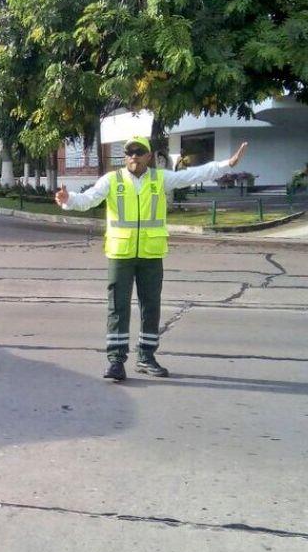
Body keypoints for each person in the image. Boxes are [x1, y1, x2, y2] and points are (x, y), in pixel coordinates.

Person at [55, 136, 249, 382]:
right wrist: (68, 199)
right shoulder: (112, 180)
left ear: (149, 156)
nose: (133, 156)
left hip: (151, 253)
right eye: (129, 152)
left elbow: (193, 175)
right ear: (125, 156)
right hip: (121, 254)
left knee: (151, 308)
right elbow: (87, 200)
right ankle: (116, 361)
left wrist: (226, 165)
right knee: (118, 307)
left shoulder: (161, 178)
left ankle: (146, 357)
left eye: (139, 151)